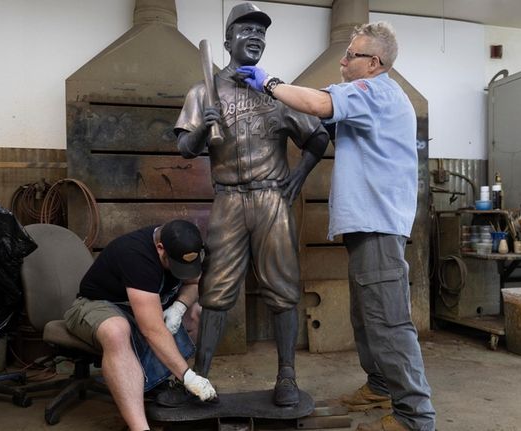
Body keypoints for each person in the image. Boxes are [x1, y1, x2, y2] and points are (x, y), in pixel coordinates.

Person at [236, 21, 436, 431]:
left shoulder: (375, 91)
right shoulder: (370, 96)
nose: (343, 61)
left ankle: (415, 417)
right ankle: (380, 387)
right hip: (367, 227)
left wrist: (268, 82)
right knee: (367, 317)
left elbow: (318, 105)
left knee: (389, 322)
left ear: (374, 63)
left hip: (379, 227)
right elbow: (328, 127)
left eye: (352, 55)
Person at [172, 2, 329, 407]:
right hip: (228, 200)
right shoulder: (202, 91)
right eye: (246, 30)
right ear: (228, 41)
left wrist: (298, 176)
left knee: (282, 288)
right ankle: (199, 375)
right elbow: (184, 148)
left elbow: (317, 138)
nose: (255, 36)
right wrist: (203, 129)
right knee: (216, 290)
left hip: (271, 198)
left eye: (261, 31)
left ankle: (287, 376)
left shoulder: (276, 92)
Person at [63, 219, 217, 431]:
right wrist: (186, 373)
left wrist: (179, 307)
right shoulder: (136, 255)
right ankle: (140, 427)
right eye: (174, 265)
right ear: (160, 247)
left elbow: (193, 283)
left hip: (139, 307)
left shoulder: (181, 244)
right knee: (116, 331)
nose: (179, 270)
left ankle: (180, 388)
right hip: (95, 305)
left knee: (198, 311)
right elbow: (151, 330)